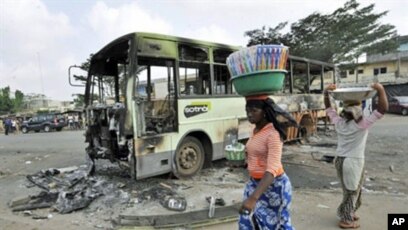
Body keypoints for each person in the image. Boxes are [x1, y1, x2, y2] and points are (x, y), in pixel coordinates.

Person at [324, 83, 388, 229]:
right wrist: (380, 89)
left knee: (353, 189)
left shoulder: (339, 122)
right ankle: (346, 219)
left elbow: (329, 109)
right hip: (353, 161)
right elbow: (383, 109)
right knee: (352, 191)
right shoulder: (362, 124)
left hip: (340, 160)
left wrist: (325, 93)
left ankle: (349, 211)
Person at [239, 94, 297, 230]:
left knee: (275, 225)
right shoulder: (256, 130)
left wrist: (253, 199)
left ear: (264, 112)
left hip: (274, 187)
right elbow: (259, 157)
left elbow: (272, 169)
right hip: (255, 184)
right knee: (248, 221)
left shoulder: (273, 134)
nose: (249, 114)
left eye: (254, 111)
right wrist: (246, 164)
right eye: (247, 110)